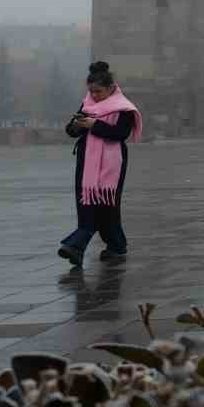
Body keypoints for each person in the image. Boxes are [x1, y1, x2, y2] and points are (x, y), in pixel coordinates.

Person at [58, 61, 142, 266]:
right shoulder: (88, 104)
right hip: (87, 162)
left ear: (111, 89)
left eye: (98, 91)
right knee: (87, 202)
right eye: (91, 91)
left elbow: (121, 133)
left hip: (112, 163)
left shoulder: (123, 108)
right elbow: (70, 131)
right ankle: (116, 245)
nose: (94, 96)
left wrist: (95, 125)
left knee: (107, 205)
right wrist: (77, 126)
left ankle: (76, 246)